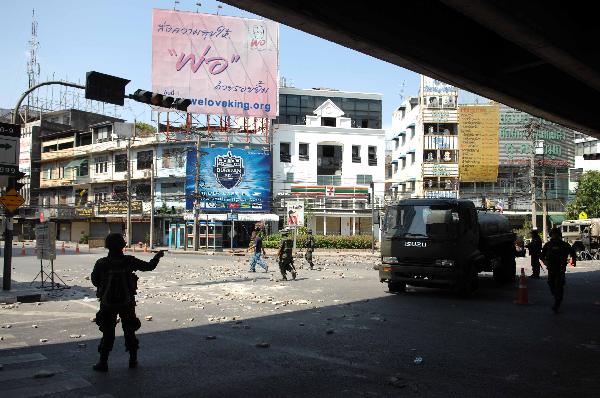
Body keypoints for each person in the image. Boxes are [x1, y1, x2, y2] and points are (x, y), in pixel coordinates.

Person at [91, 233, 164, 372]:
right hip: (127, 302)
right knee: (129, 330)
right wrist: (157, 256)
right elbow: (149, 267)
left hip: (107, 303)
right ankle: (133, 360)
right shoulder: (129, 261)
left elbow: (95, 281)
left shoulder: (101, 263)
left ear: (107, 246)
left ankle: (103, 362)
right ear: (123, 245)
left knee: (107, 332)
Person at [540, 227, 576, 313]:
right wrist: (545, 262)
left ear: (559, 235)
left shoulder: (564, 244)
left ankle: (557, 301)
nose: (554, 236)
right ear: (551, 235)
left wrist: (573, 260)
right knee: (550, 282)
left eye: (556, 235)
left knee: (559, 284)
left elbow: (572, 252)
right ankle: (556, 296)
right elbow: (541, 255)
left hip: (560, 268)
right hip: (551, 268)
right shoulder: (548, 245)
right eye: (553, 235)